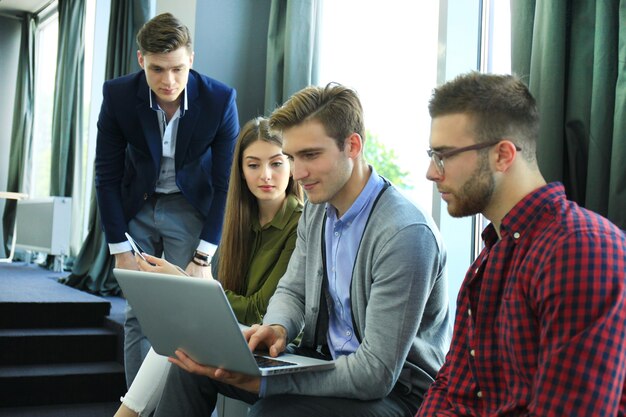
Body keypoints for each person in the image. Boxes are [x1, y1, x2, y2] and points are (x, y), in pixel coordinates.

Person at [153, 83, 451, 417]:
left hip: (397, 394)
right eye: (293, 157)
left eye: (310, 155)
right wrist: (277, 327)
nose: (298, 173)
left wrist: (267, 383)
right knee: (191, 366)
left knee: (272, 412)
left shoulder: (404, 233)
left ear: (353, 145)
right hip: (324, 360)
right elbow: (293, 289)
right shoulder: (317, 207)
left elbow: (375, 374)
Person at [416, 72, 626, 416]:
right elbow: (453, 388)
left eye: (444, 155)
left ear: (502, 155)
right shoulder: (490, 258)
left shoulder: (581, 249)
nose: (431, 172)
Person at [114, 117, 303, 417]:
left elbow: (260, 311)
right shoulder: (238, 223)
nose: (265, 175)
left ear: (292, 165)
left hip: (279, 344)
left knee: (183, 340)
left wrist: (188, 283)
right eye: (253, 165)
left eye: (277, 163)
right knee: (179, 337)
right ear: (241, 170)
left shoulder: (301, 225)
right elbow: (226, 299)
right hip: (241, 335)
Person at [95, 12, 239, 387]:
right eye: (157, 69)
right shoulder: (118, 95)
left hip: (190, 207)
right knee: (138, 313)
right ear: (141, 60)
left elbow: (227, 185)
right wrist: (118, 249)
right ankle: (137, 408)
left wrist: (203, 256)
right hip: (139, 204)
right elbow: (106, 176)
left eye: (177, 68)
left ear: (191, 58)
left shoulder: (221, 100)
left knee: (189, 314)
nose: (169, 80)